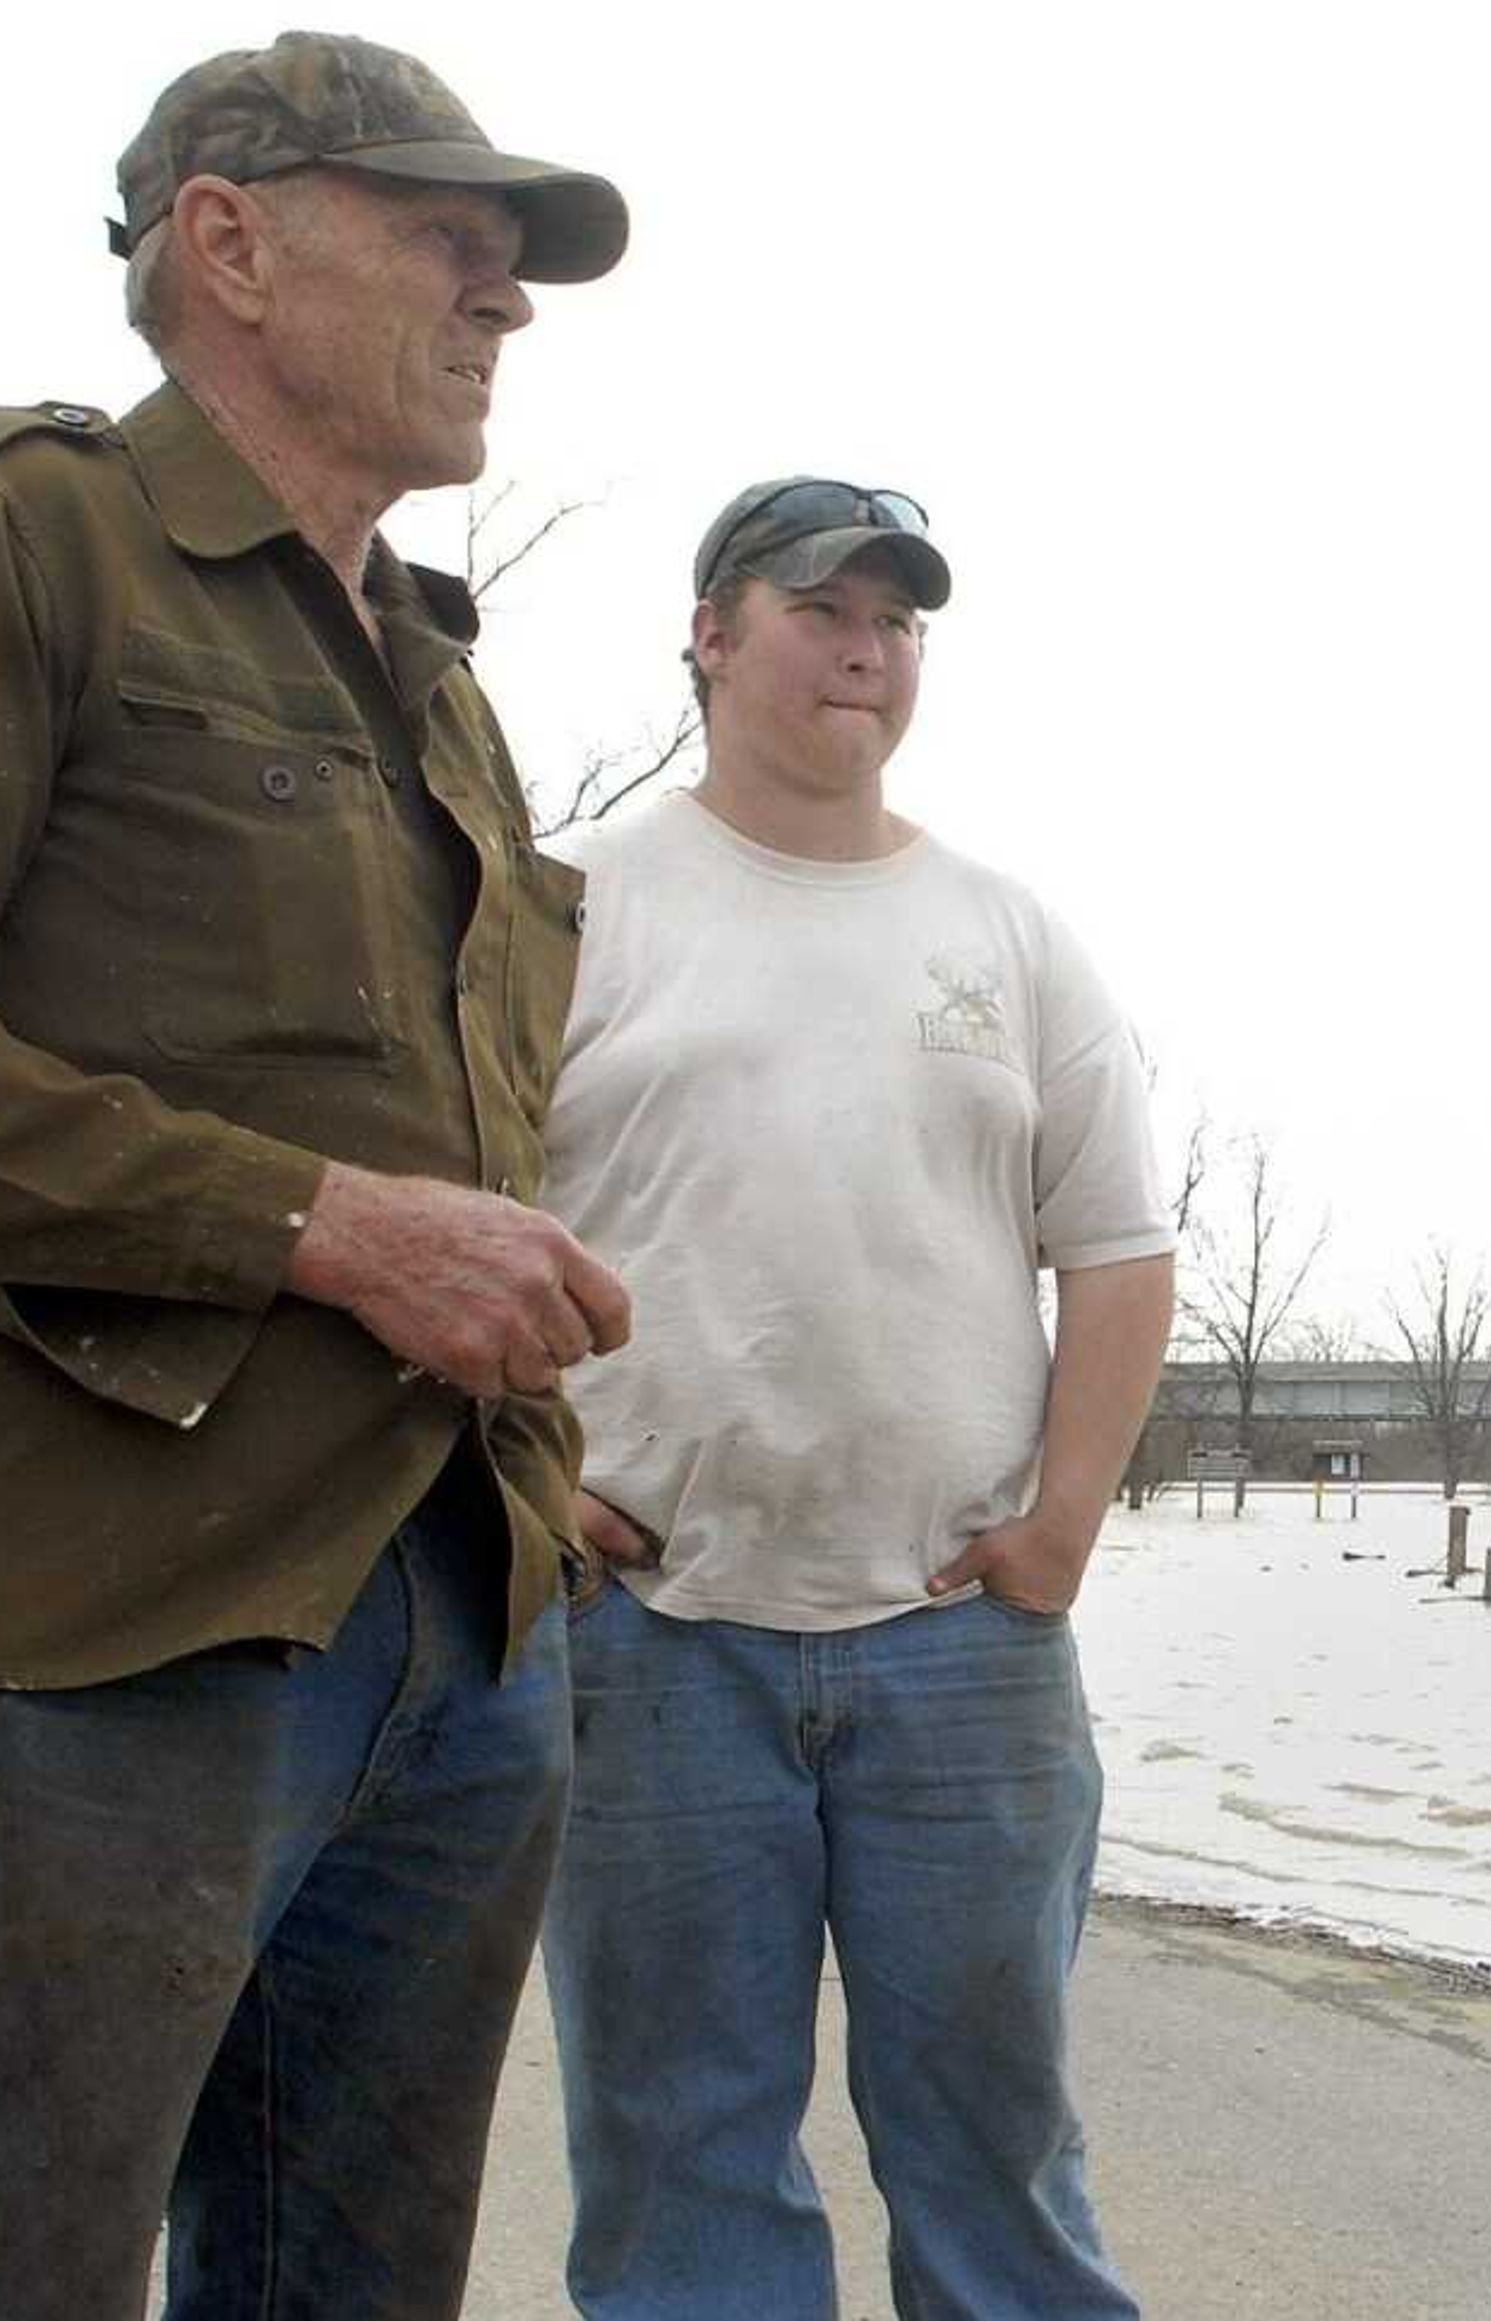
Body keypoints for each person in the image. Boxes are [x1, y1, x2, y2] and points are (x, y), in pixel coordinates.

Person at [0, 32, 630, 2318]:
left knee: (351, 2285)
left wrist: (538, 1479)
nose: (503, 302)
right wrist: (326, 1230)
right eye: (448, 242)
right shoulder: (12, 527)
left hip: (452, 1641)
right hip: (98, 1640)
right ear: (230, 240)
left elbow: (470, 1134)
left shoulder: (439, 685)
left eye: (515, 268)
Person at [539, 478, 1177, 2318]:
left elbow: (1120, 1248)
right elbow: (460, 1220)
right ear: (712, 632)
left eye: (899, 620)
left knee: (996, 2142)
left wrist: (1060, 1528)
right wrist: (526, 1475)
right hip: (650, 1632)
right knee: (679, 2149)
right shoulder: (571, 898)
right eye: (824, 604)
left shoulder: (1005, 929)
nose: (867, 647)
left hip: (960, 1647)